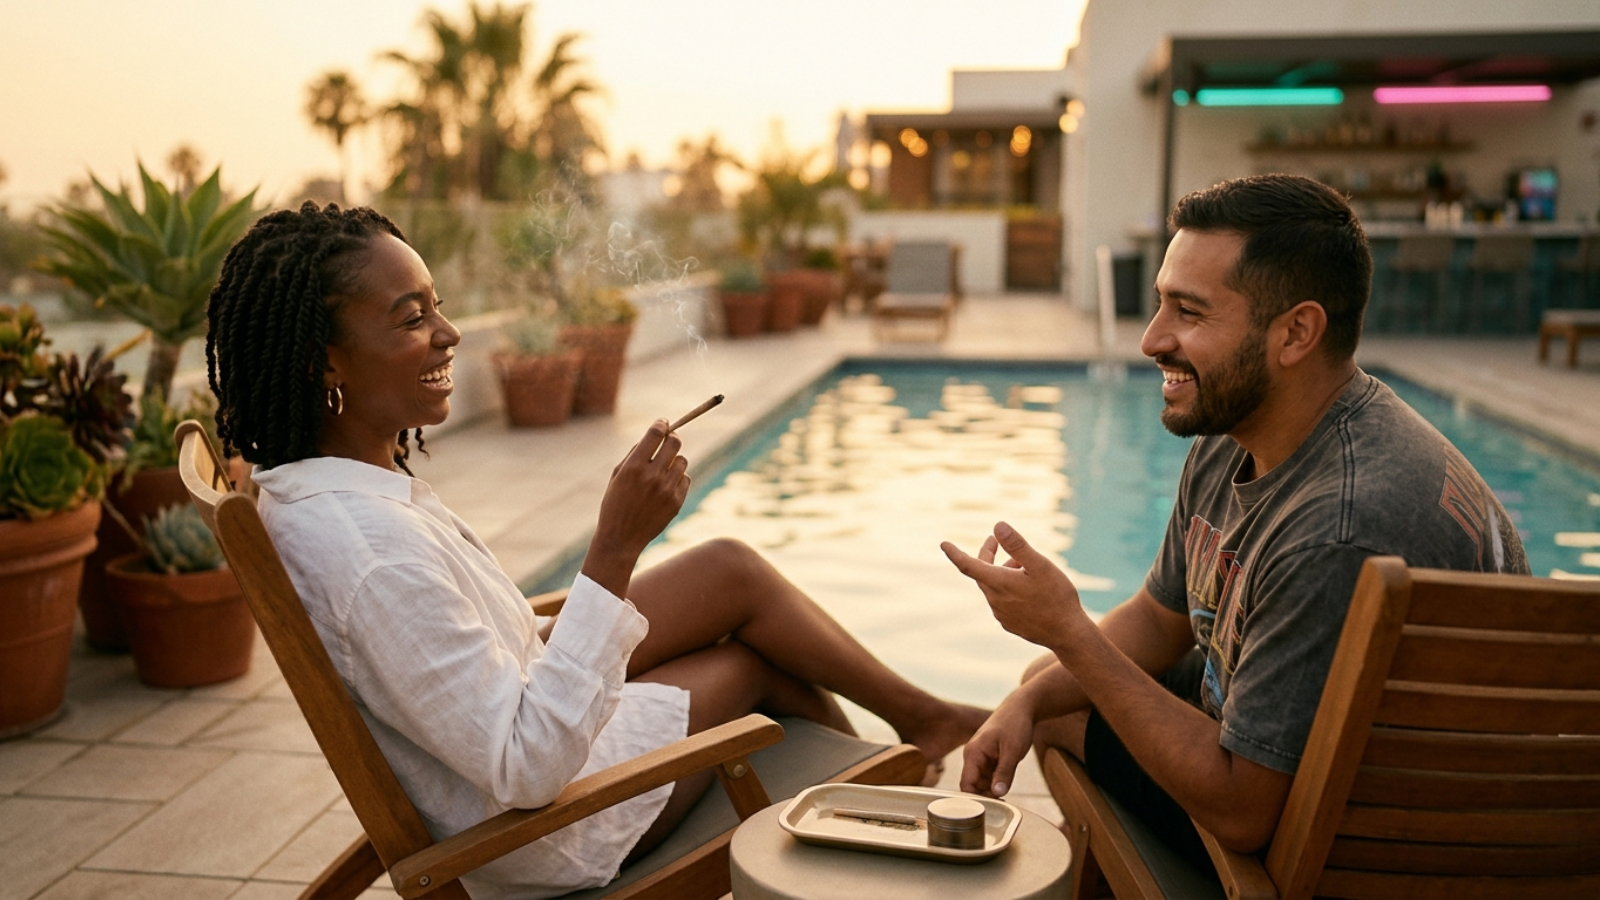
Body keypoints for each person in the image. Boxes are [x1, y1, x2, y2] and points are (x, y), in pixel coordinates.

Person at [205, 203, 988, 899]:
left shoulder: (317, 491)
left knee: (728, 571)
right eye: (412, 319)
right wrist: (614, 548)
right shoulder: (368, 553)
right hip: (552, 826)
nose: (447, 334)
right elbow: (525, 765)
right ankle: (865, 816)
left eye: (438, 308)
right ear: (324, 362)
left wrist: (599, 582)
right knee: (756, 670)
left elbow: (463, 664)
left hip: (518, 709)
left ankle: (919, 728)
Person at [942, 174, 1528, 869]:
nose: (1152, 340)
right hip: (1308, 754)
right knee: (1047, 686)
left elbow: (1244, 812)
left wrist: (1069, 630)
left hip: (1369, 845)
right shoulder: (1240, 430)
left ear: (1296, 333)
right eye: (1161, 304)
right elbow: (1160, 621)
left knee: (1070, 700)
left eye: (1188, 313)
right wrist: (1026, 697)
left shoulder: (1341, 526)